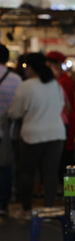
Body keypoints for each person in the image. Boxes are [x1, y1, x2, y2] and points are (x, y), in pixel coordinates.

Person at [8, 53, 66, 220]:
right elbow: (61, 105)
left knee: (27, 172)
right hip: (56, 134)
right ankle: (48, 210)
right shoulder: (55, 84)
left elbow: (15, 112)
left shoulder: (26, 86)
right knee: (50, 173)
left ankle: (26, 210)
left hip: (32, 135)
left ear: (30, 68)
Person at [46, 51, 75, 172]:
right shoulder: (61, 79)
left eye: (49, 65)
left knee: (65, 155)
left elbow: (66, 106)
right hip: (66, 121)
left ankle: (65, 185)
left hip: (68, 122)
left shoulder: (63, 81)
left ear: (57, 64)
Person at [0, 44, 22, 217]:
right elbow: (20, 109)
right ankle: (3, 204)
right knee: (6, 167)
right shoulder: (15, 80)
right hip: (8, 132)